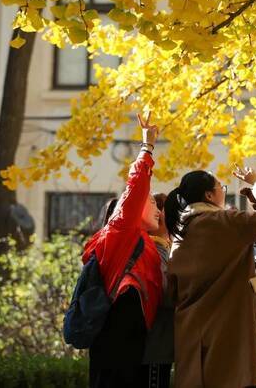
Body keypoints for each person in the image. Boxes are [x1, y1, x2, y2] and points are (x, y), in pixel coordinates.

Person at [165, 169, 256, 387]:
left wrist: (255, 333)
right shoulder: (225, 222)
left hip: (191, 341)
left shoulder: (180, 234)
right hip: (226, 342)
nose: (224, 191)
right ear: (209, 195)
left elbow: (172, 293)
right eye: (221, 187)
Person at [83, 113, 164, 387]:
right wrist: (147, 147)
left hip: (130, 342)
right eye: (151, 201)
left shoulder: (142, 240)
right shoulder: (121, 231)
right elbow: (135, 187)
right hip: (116, 343)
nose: (157, 209)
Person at [141, 192, 174, 388]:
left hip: (160, 343)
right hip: (155, 344)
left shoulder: (164, 248)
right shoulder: (155, 249)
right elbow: (164, 293)